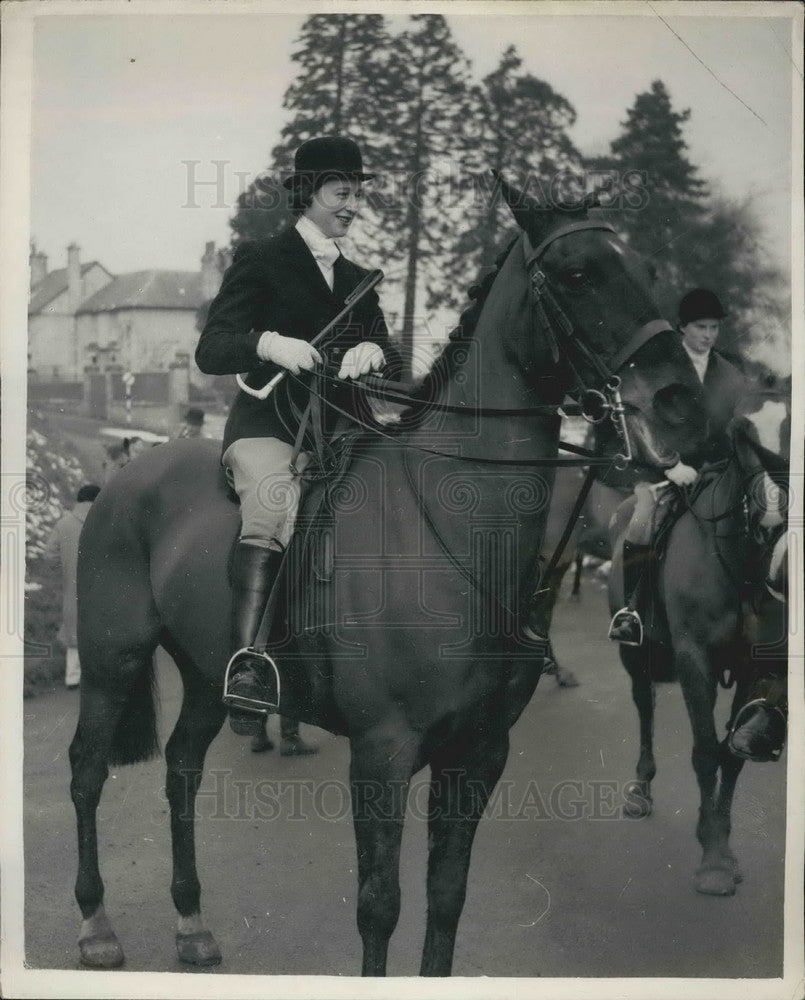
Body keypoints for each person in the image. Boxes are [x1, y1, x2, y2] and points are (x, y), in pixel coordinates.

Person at [196, 136, 395, 741]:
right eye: (343, 193)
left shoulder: (360, 278)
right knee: (274, 508)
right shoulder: (262, 259)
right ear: (309, 193)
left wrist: (374, 350)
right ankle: (250, 668)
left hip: (344, 430)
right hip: (271, 426)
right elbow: (211, 349)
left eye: (358, 194)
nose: (353, 205)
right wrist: (265, 343)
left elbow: (391, 349)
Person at [608, 288, 745, 646]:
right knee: (641, 522)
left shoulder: (731, 374)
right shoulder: (657, 366)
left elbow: (738, 425)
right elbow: (638, 420)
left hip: (718, 471)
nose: (709, 335)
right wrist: (669, 465)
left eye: (715, 328)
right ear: (682, 326)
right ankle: (631, 612)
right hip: (661, 471)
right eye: (701, 327)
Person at [44, 484, 102, 688]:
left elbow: (50, 556)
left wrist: (66, 566)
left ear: (79, 500)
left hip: (73, 583)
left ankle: (72, 677)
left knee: (74, 625)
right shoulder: (104, 522)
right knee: (101, 624)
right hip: (101, 582)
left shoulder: (64, 524)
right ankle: (98, 675)